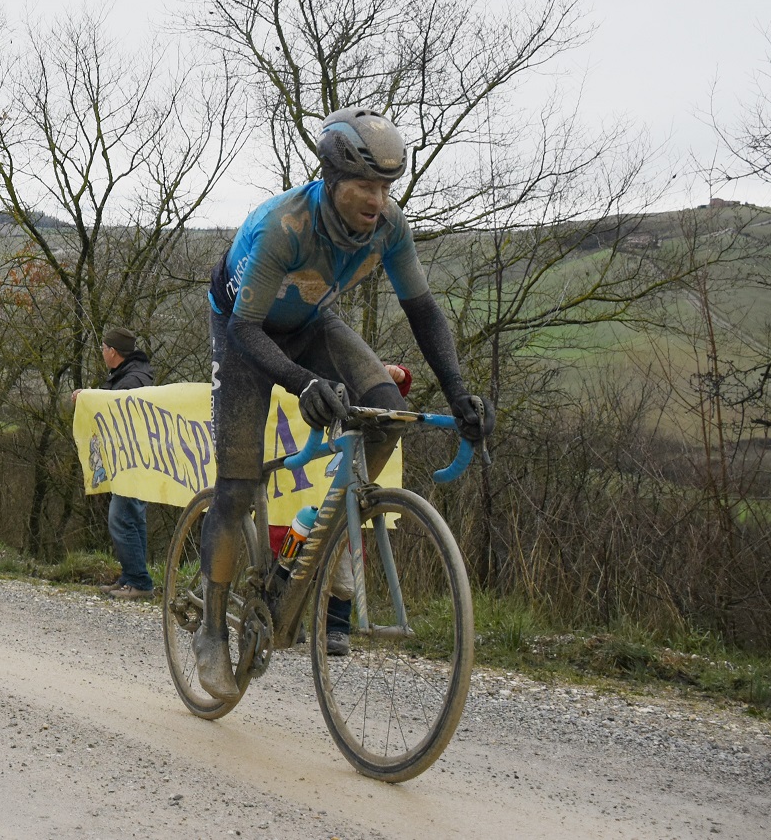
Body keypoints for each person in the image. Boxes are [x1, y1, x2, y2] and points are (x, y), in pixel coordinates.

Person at [193, 107, 494, 693]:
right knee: (235, 484)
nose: (376, 199)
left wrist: (459, 392)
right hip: (243, 332)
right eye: (364, 185)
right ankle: (210, 629)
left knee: (386, 412)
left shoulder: (389, 226)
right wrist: (302, 382)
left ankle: (319, 538)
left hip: (312, 321)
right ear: (331, 179)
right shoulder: (284, 227)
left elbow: (423, 309)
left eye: (385, 187)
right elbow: (247, 330)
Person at [96, 328, 157, 600]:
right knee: (133, 519)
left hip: (132, 461)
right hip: (136, 460)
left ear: (113, 351)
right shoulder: (132, 375)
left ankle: (139, 582)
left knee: (120, 519)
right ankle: (131, 577)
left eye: (103, 347)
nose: (102, 352)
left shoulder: (131, 380)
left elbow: (115, 410)